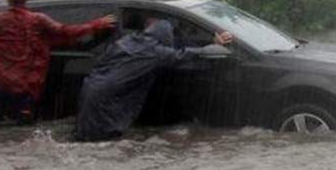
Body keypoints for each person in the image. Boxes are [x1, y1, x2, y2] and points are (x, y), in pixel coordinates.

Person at [0, 0, 116, 129]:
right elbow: (66, 32)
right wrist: (95, 25)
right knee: (22, 136)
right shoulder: (38, 20)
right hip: (22, 88)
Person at [74, 18, 233, 142]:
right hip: (109, 100)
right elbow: (184, 55)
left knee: (87, 137)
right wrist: (213, 46)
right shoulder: (154, 52)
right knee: (104, 141)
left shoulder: (128, 41)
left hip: (90, 90)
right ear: (164, 37)